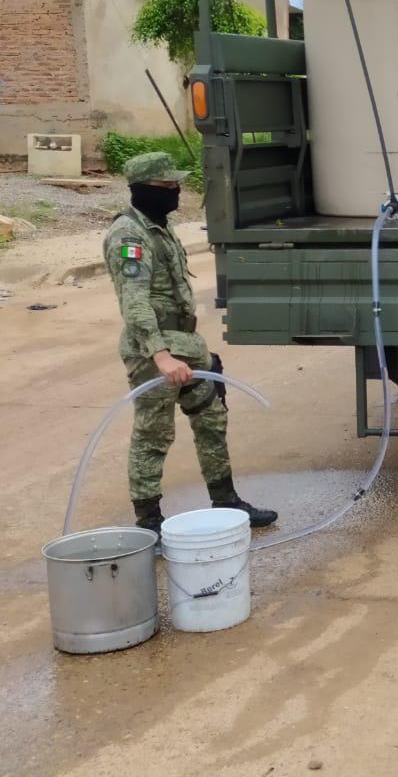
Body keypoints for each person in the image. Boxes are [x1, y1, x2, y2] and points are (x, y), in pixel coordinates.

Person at [104, 152, 277, 538]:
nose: (175, 191)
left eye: (175, 184)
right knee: (154, 433)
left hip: (186, 343)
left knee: (211, 419)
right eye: (166, 185)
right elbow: (134, 301)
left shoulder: (160, 227)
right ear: (142, 188)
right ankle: (149, 521)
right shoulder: (129, 235)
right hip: (155, 351)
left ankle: (226, 500)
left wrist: (197, 352)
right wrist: (161, 355)